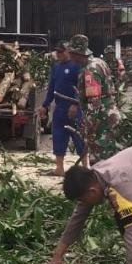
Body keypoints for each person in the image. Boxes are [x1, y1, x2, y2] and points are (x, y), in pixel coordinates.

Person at [68, 34, 119, 163]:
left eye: (71, 53)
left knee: (99, 162)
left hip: (101, 120)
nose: (70, 56)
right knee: (109, 157)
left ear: (77, 53)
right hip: (109, 115)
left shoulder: (90, 70)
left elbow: (94, 102)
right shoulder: (99, 62)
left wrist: (88, 128)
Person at [39, 42, 86, 177]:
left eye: (62, 52)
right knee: (58, 137)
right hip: (60, 108)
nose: (59, 54)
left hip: (74, 108)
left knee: (79, 138)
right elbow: (52, 87)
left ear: (68, 51)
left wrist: (76, 103)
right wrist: (45, 105)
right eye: (57, 52)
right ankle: (59, 168)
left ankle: (85, 168)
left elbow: (81, 87)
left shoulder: (77, 66)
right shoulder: (56, 67)